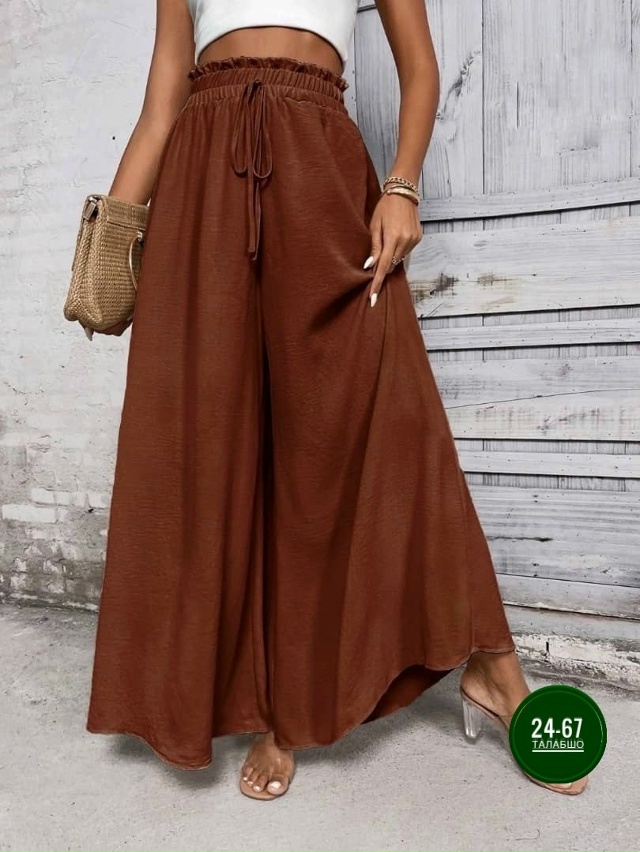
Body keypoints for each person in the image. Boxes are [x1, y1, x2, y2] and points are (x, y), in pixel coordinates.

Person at [85, 0, 589, 800]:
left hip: (319, 165)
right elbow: (160, 107)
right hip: (199, 188)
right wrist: (105, 239)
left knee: (390, 420)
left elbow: (420, 69)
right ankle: (273, 711)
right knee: (215, 443)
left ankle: (493, 664)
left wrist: (401, 186)